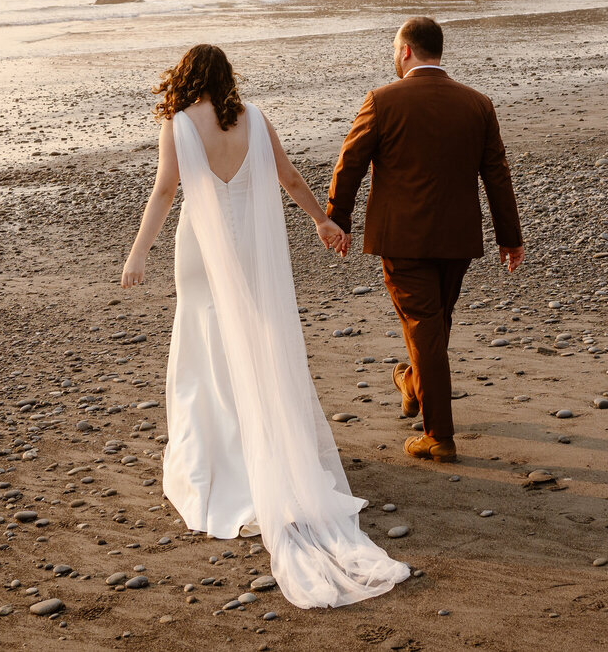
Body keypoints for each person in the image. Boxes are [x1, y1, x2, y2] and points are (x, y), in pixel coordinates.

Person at [119, 44, 409, 609]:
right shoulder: (254, 119)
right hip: (252, 251)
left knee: (205, 347)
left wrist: (137, 255)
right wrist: (322, 221)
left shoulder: (180, 125)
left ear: (186, 79)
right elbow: (290, 177)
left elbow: (164, 192)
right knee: (253, 342)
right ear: (227, 78)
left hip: (202, 252)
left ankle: (222, 463)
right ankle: (267, 450)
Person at [327, 17, 524, 464]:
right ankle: (412, 384)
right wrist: (509, 238)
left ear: (407, 52)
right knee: (433, 326)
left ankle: (438, 435)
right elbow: (497, 175)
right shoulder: (478, 104)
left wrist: (338, 218)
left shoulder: (382, 101)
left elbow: (350, 162)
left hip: (403, 238)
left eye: (395, 49)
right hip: (458, 238)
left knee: (424, 328)